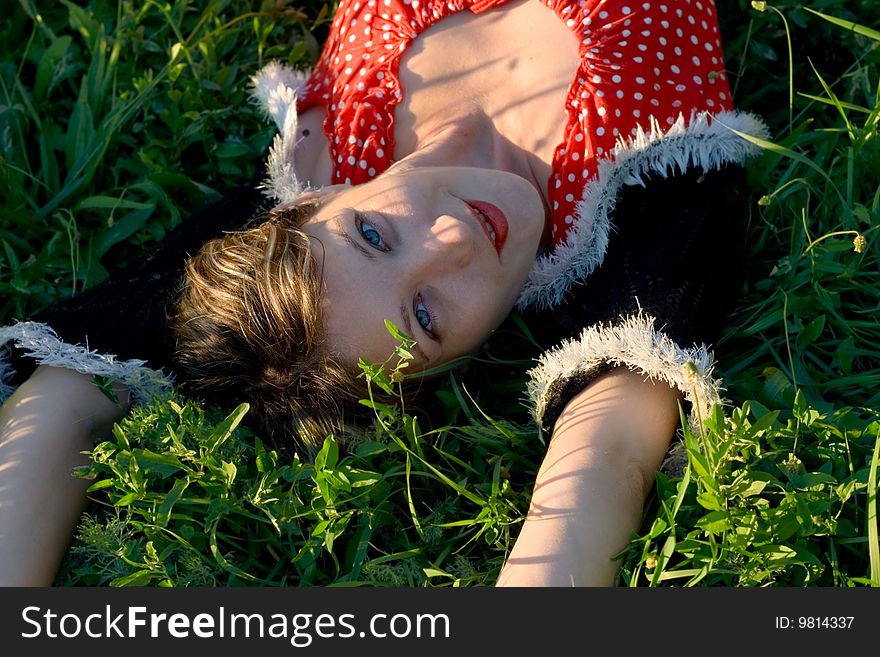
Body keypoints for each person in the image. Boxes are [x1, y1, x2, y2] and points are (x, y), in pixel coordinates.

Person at [0, 0, 768, 586]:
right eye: (426, 315)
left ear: (304, 201)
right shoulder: (649, 191)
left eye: (372, 234)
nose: (456, 238)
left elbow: (82, 370)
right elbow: (607, 448)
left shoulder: (333, 147)